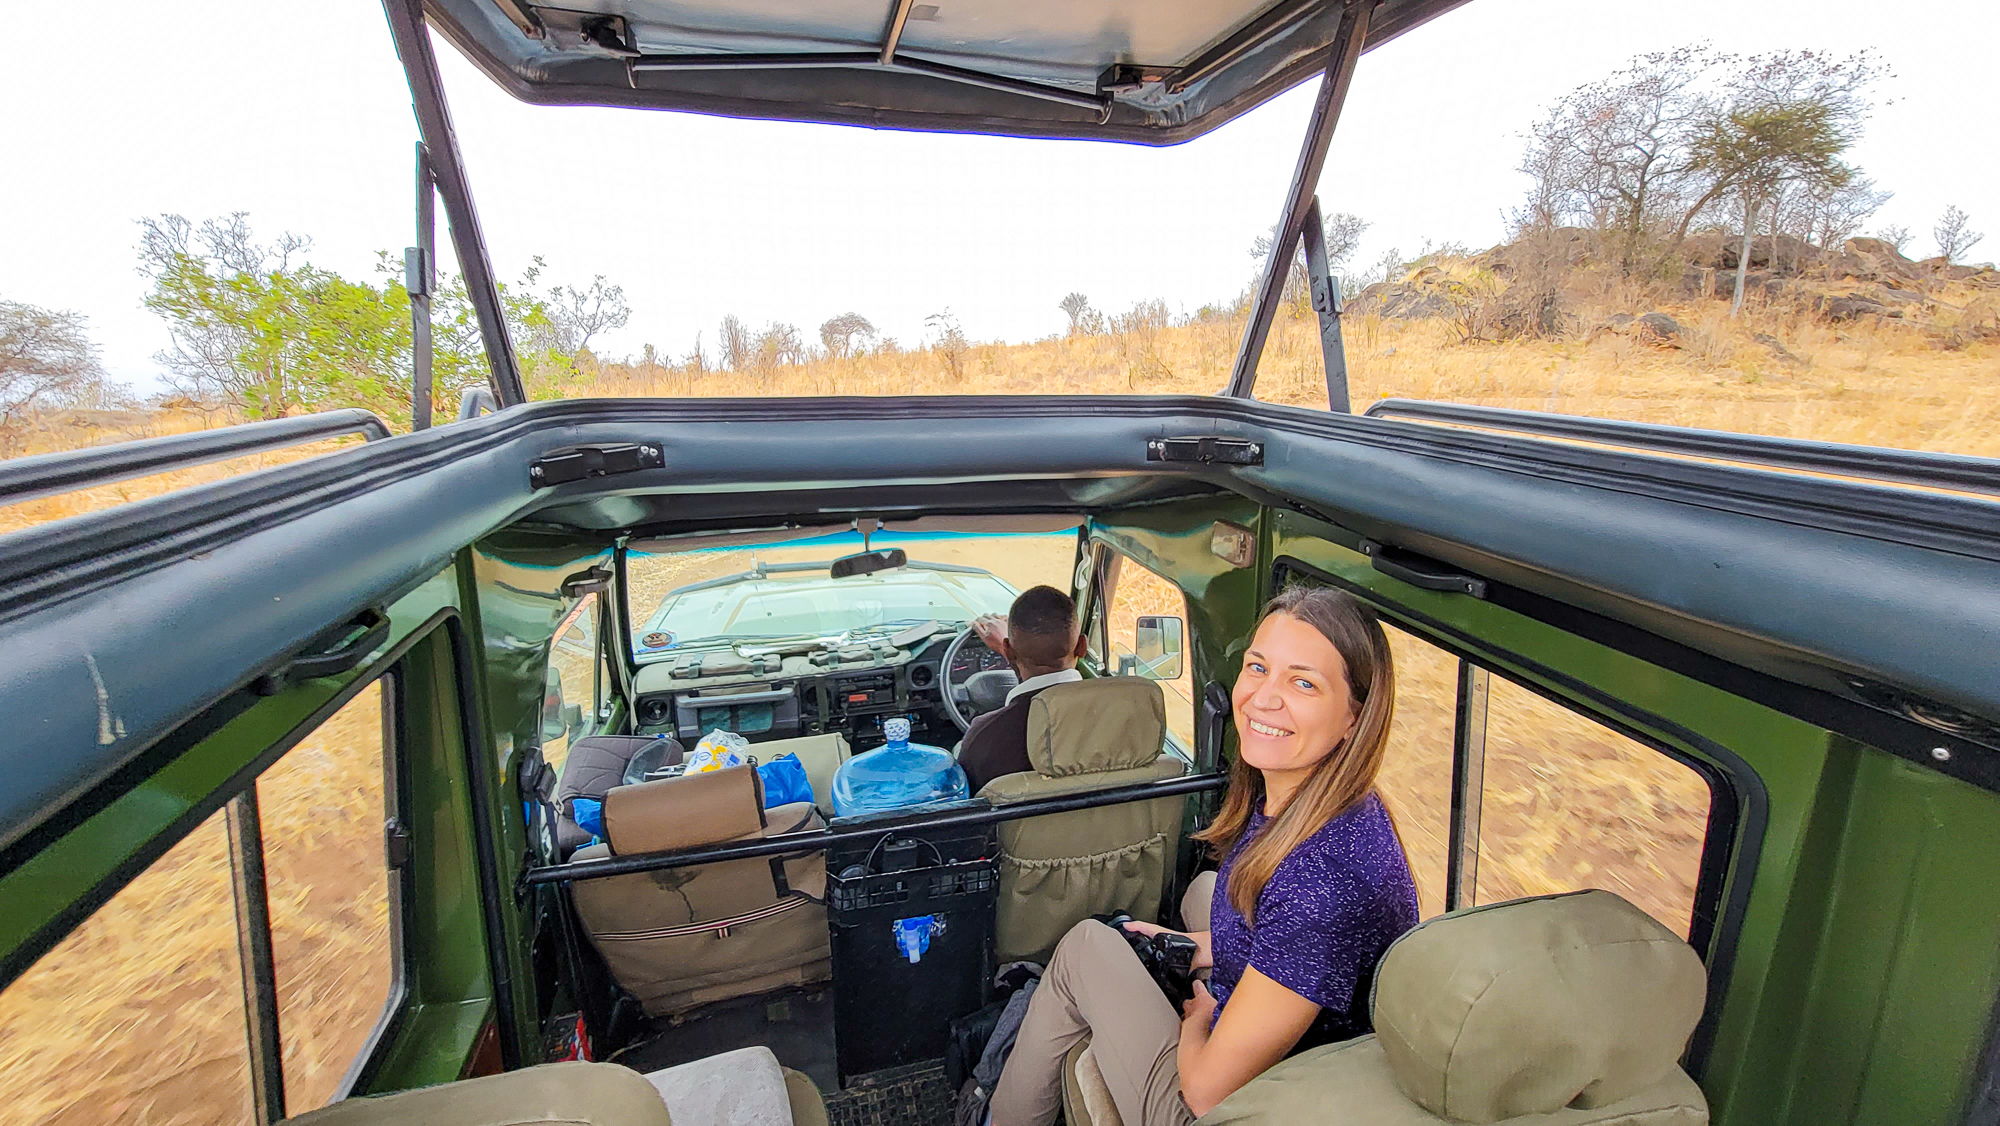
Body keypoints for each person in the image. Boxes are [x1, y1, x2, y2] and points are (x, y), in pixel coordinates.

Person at [988, 586, 1419, 1126]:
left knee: (1082, 948)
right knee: (1203, 892)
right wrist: (1191, 946)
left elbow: (1207, 1093)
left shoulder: (1322, 882)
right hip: (1317, 1050)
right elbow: (1291, 941)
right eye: (1258, 668)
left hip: (1252, 1104)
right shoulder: (1324, 802)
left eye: (1303, 682)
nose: (1263, 698)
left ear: (1357, 715)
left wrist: (1201, 1017)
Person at [956, 584, 1089, 794]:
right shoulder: (1127, 717)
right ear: (1082, 646)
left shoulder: (984, 738)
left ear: (1007, 651)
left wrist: (1011, 652)